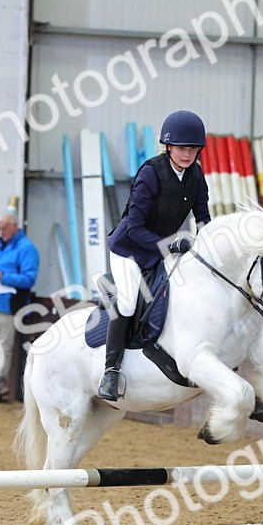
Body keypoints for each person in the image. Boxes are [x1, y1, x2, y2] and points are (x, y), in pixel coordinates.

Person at [97, 109, 211, 401]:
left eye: (193, 148)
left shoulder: (196, 174)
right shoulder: (151, 173)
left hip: (161, 250)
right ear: (168, 146)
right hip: (129, 250)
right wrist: (170, 244)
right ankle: (111, 371)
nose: (188, 154)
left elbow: (204, 219)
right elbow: (133, 228)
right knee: (125, 301)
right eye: (182, 148)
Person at [0, 212, 39, 403]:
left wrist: (1, 276)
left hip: (9, 304)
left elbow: (29, 279)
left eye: (4, 228)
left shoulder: (26, 248)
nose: (1, 231)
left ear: (15, 227)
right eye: (0, 228)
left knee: (4, 345)